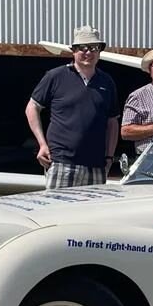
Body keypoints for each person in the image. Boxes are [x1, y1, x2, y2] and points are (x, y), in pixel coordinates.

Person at [25, 25, 119, 188]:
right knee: (57, 213)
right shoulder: (55, 76)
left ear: (99, 51)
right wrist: (42, 144)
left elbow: (112, 122)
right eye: (83, 48)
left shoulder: (107, 82)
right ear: (74, 51)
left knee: (93, 214)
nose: (88, 52)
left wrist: (109, 157)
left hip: (96, 166)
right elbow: (32, 107)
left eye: (94, 48)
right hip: (62, 162)